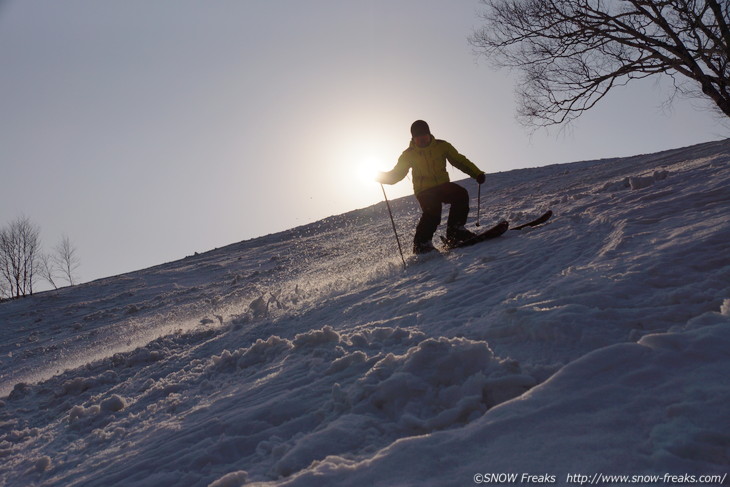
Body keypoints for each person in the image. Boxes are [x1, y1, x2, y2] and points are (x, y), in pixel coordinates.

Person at [377, 120, 486, 254]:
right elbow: (397, 174)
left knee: (460, 194)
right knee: (433, 212)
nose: (421, 139)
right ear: (413, 138)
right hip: (424, 190)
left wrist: (477, 173)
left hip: (442, 186)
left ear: (429, 134)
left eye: (424, 136)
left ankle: (455, 232)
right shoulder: (408, 154)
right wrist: (382, 177)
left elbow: (459, 160)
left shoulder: (441, 146)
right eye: (418, 137)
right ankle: (421, 244)